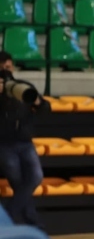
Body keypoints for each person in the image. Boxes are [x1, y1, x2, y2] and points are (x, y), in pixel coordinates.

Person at [0, 52, 49, 229]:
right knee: (18, 180)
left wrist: (35, 101)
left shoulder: (23, 86)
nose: (6, 71)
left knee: (35, 177)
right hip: (3, 144)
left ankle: (8, 215)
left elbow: (45, 109)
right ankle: (32, 221)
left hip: (25, 142)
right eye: (2, 68)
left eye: (8, 67)